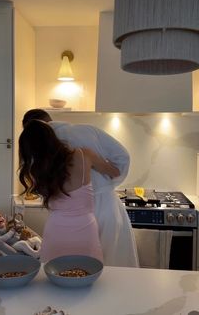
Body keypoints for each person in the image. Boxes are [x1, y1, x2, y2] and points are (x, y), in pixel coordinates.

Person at [22, 109, 139, 267]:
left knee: (62, 269)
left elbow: (44, 190)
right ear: (49, 119)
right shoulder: (86, 137)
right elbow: (122, 159)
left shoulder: (37, 151)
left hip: (60, 221)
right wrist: (104, 183)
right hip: (103, 207)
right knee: (111, 266)